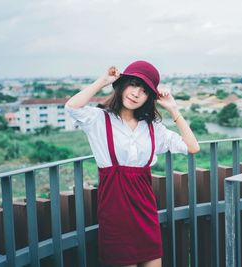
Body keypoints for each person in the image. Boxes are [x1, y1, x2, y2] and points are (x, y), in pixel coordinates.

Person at [65, 60, 200, 267]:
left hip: (145, 210)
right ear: (122, 84)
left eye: (144, 90)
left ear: (149, 97)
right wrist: (103, 80)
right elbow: (72, 106)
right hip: (114, 211)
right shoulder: (100, 119)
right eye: (133, 84)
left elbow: (192, 147)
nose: (136, 93)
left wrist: (174, 110)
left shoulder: (153, 128)